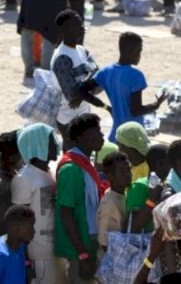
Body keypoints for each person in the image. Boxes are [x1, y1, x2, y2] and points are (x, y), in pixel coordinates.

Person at [80, 32, 165, 142]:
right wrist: (156, 105)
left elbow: (82, 90)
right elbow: (135, 110)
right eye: (138, 51)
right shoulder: (136, 76)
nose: (139, 55)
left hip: (116, 136)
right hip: (134, 137)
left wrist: (106, 107)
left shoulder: (106, 71)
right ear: (128, 51)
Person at [55, 113, 105, 283]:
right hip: (80, 249)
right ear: (79, 137)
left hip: (89, 243)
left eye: (100, 130)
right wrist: (83, 254)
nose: (101, 135)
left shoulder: (85, 164)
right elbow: (66, 214)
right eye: (94, 131)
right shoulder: (71, 168)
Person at [12, 123, 62, 284]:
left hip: (55, 249)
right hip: (38, 254)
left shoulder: (49, 172)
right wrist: (26, 261)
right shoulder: (24, 178)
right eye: (50, 141)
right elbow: (18, 222)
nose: (56, 144)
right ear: (37, 145)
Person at [50, 10, 100, 149]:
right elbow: (72, 95)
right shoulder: (62, 58)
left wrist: (83, 91)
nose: (82, 27)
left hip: (84, 113)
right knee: (72, 157)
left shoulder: (82, 51)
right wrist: (88, 86)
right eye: (77, 25)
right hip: (68, 119)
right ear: (65, 29)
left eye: (82, 23)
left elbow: (100, 79)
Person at [96, 151, 132, 261]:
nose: (128, 174)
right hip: (111, 260)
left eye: (129, 170)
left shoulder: (124, 195)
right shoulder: (109, 202)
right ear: (109, 176)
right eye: (122, 171)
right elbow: (103, 241)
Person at [127, 144, 170, 233]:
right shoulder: (139, 187)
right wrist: (152, 200)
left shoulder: (166, 185)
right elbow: (133, 227)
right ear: (160, 163)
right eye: (171, 162)